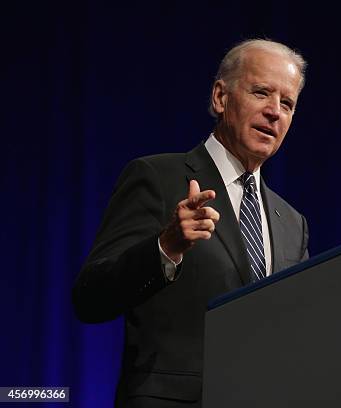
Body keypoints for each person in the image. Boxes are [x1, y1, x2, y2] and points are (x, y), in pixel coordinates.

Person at [73, 39, 309, 407]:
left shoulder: (292, 223)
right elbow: (90, 298)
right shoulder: (157, 177)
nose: (275, 112)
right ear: (220, 97)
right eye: (261, 92)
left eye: (288, 103)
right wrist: (166, 248)